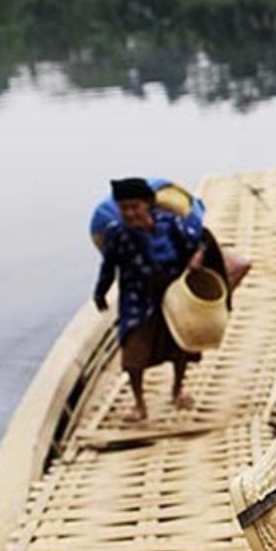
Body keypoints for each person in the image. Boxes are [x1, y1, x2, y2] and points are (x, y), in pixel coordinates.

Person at [93, 177, 205, 422]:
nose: (130, 213)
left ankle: (177, 389)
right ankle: (139, 403)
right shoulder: (118, 234)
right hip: (137, 299)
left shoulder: (170, 223)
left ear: (148, 204)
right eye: (124, 208)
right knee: (133, 352)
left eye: (135, 206)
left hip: (173, 295)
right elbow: (109, 266)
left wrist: (197, 257)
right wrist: (100, 292)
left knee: (180, 344)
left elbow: (198, 242)